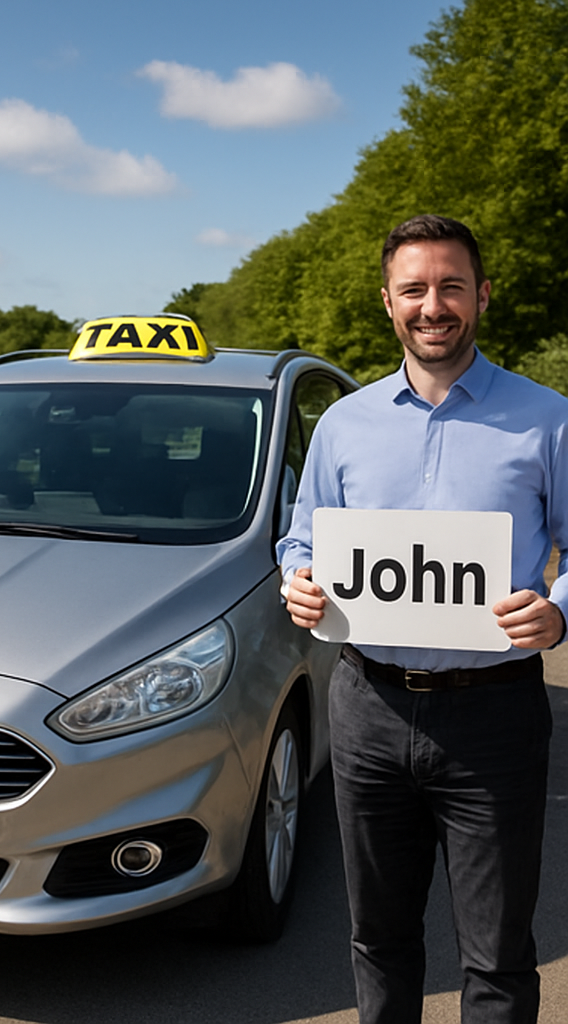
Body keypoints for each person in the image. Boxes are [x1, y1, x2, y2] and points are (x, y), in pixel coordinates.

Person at [277, 214, 568, 1024]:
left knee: (499, 956)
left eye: (450, 286)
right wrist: (296, 579)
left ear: (481, 294)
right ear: (388, 302)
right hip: (368, 709)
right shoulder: (344, 424)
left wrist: (559, 612)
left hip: (495, 715)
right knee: (378, 938)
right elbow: (302, 534)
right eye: (415, 289)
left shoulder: (550, 419)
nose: (432, 304)